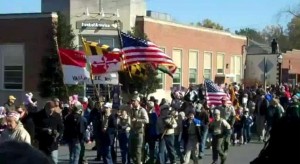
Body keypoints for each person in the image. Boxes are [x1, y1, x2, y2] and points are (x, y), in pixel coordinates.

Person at [129, 95, 149, 164]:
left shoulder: (142, 110)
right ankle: (138, 161)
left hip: (140, 132)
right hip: (132, 131)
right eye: (132, 101)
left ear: (138, 102)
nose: (132, 102)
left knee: (138, 150)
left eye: (134, 101)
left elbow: (147, 120)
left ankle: (139, 162)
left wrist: (137, 120)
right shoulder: (132, 110)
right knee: (131, 150)